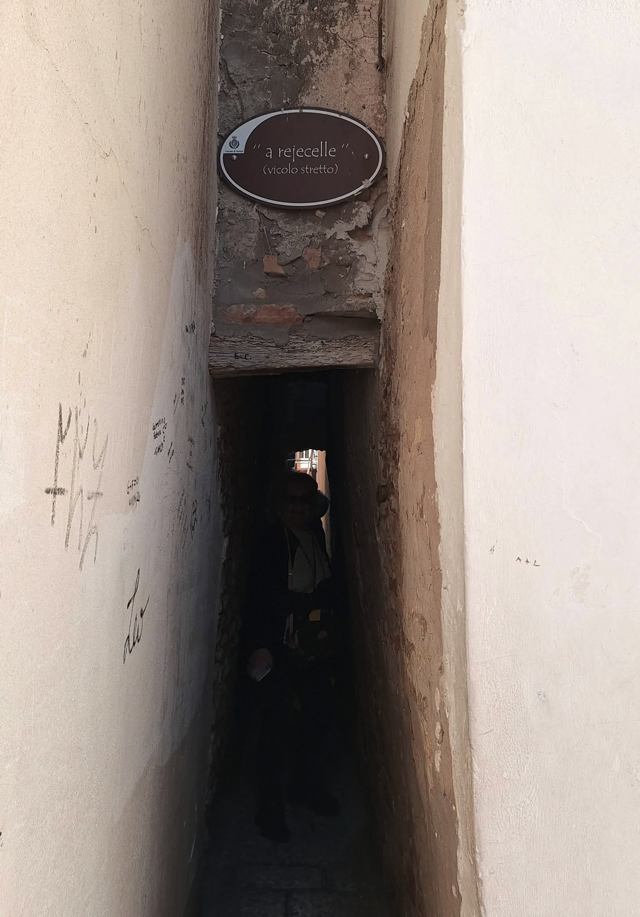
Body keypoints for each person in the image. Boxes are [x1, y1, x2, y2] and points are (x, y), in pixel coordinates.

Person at [244, 470, 340, 842]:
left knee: (316, 717)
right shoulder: (270, 542)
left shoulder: (314, 535)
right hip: (280, 643)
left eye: (304, 500)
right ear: (280, 504)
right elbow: (261, 595)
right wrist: (261, 644)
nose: (298, 508)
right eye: (291, 500)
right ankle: (269, 810)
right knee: (275, 727)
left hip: (313, 644)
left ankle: (306, 786)